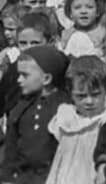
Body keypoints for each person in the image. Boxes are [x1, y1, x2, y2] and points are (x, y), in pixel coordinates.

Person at [1, 45, 69, 184]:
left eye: (25, 75)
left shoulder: (64, 107)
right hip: (22, 178)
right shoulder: (20, 107)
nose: (19, 80)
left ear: (46, 79)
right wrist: (6, 178)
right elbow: (11, 148)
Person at [46, 56, 106, 184]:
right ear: (71, 93)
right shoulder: (65, 117)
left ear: (105, 90)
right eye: (81, 96)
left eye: (95, 95)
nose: (89, 101)